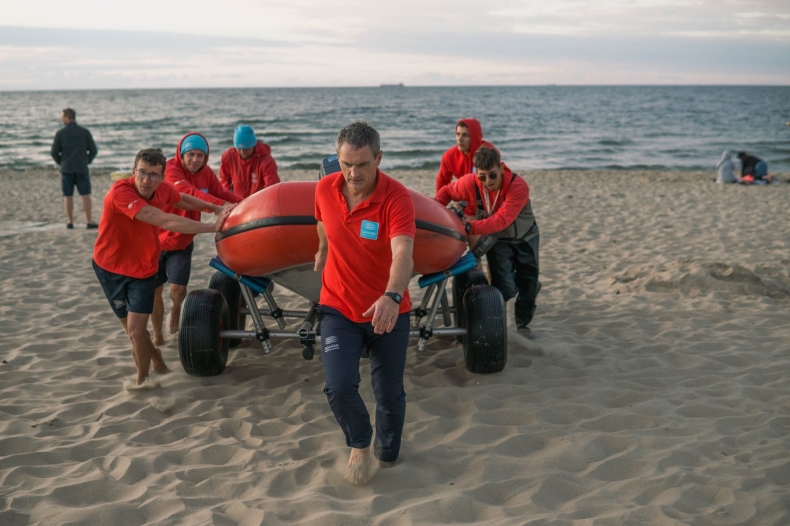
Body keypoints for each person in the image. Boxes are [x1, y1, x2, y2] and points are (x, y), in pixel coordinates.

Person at [313, 122, 415, 484]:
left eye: (363, 165)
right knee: (338, 387)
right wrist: (323, 248)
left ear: (379, 158)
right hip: (338, 307)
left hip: (388, 310)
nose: (353, 174)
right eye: (345, 164)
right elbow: (322, 221)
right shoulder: (325, 188)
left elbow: (403, 250)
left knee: (389, 394)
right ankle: (359, 442)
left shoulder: (397, 197)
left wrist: (391, 295)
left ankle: (387, 454)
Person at [92, 148, 233, 386]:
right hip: (110, 269)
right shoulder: (120, 193)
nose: (147, 180)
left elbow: (182, 198)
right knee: (134, 333)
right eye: (142, 173)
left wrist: (217, 209)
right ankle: (156, 357)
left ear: (162, 177)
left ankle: (141, 383)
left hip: (145, 270)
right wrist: (212, 227)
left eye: (154, 175)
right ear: (133, 170)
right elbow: (164, 219)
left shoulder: (162, 189)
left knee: (137, 333)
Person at [435, 147, 540, 336]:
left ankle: (523, 326)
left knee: (529, 285)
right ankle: (502, 319)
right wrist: (437, 211)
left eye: (492, 175)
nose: (488, 181)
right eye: (482, 177)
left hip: (526, 237)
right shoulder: (469, 183)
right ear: (476, 173)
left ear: (501, 168)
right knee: (504, 288)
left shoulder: (518, 186)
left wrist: (470, 227)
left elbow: (502, 220)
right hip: (498, 240)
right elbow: (446, 191)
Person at [151, 133, 242, 345]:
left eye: (200, 155)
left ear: (206, 157)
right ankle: (157, 333)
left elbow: (223, 192)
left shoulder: (207, 173)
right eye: (191, 154)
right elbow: (186, 192)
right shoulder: (170, 168)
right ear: (181, 155)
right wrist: (219, 208)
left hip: (182, 242)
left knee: (178, 290)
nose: (195, 160)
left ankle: (175, 309)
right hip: (155, 241)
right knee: (155, 290)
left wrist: (247, 203)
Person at [50, 108, 98, 229]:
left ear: (67, 117)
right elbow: (93, 150)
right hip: (82, 167)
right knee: (86, 194)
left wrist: (61, 162)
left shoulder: (61, 133)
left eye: (62, 117)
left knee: (68, 195)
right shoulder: (84, 132)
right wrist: (87, 160)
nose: (61, 119)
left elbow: (54, 152)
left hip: (67, 168)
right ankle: (89, 221)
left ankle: (70, 221)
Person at [435, 118, 498, 194]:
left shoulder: (489, 153)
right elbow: (442, 181)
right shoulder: (449, 156)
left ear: (474, 137)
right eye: (458, 134)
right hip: (466, 196)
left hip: (489, 196)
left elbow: (498, 181)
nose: (459, 139)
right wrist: (439, 203)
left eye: (465, 135)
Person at [219, 125, 280, 199]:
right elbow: (224, 180)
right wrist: (228, 198)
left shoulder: (266, 160)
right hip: (236, 201)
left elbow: (272, 187)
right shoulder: (228, 156)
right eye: (239, 148)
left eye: (246, 148)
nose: (242, 152)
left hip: (259, 201)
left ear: (253, 145)